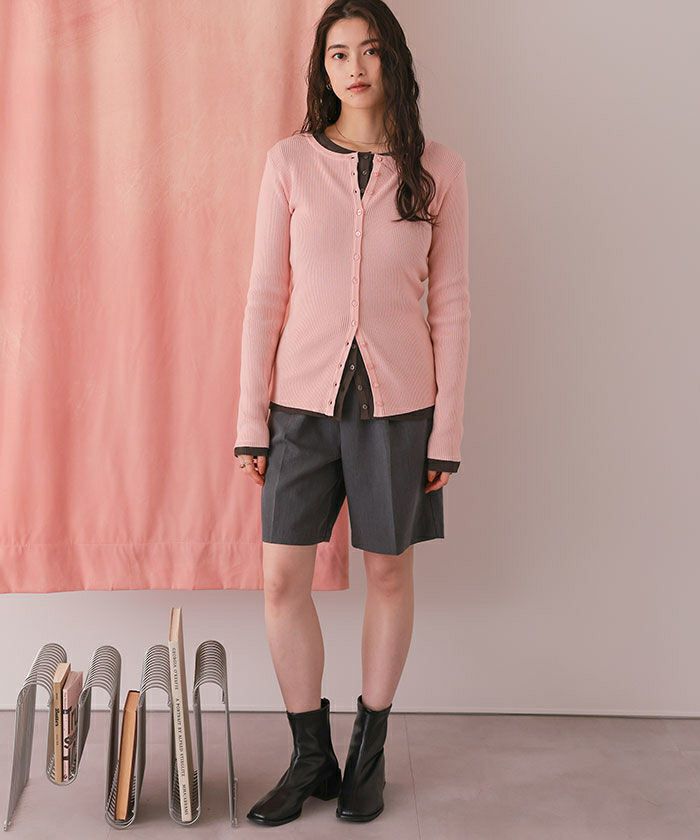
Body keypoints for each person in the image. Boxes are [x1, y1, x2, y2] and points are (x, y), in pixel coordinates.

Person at [233, 0, 470, 826]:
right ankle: (311, 758)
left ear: (392, 59)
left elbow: (452, 307)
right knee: (280, 579)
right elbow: (265, 297)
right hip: (299, 407)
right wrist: (250, 421)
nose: (354, 67)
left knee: (389, 573)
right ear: (323, 68)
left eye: (368, 50)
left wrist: (447, 433)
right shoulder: (290, 163)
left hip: (401, 409)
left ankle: (368, 755)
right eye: (338, 54)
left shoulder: (438, 170)